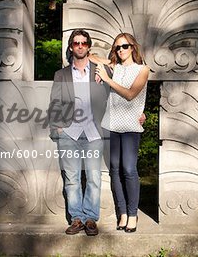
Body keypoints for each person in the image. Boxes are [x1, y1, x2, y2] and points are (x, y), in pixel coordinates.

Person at [48, 29, 109, 236]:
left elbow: (120, 71)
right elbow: (55, 102)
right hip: (69, 133)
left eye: (84, 43)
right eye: (76, 43)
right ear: (71, 47)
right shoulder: (61, 74)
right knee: (72, 179)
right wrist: (57, 127)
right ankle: (76, 219)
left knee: (93, 177)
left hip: (94, 133)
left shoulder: (100, 72)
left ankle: (91, 218)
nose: (80, 46)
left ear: (88, 47)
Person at [95, 33, 150, 233]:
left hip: (130, 127)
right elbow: (91, 57)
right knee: (115, 170)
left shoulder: (143, 70)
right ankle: (123, 214)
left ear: (133, 47)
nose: (121, 50)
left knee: (129, 169)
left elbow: (130, 94)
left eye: (125, 46)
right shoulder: (113, 66)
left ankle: (133, 214)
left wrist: (106, 79)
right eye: (117, 47)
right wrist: (98, 68)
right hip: (110, 125)